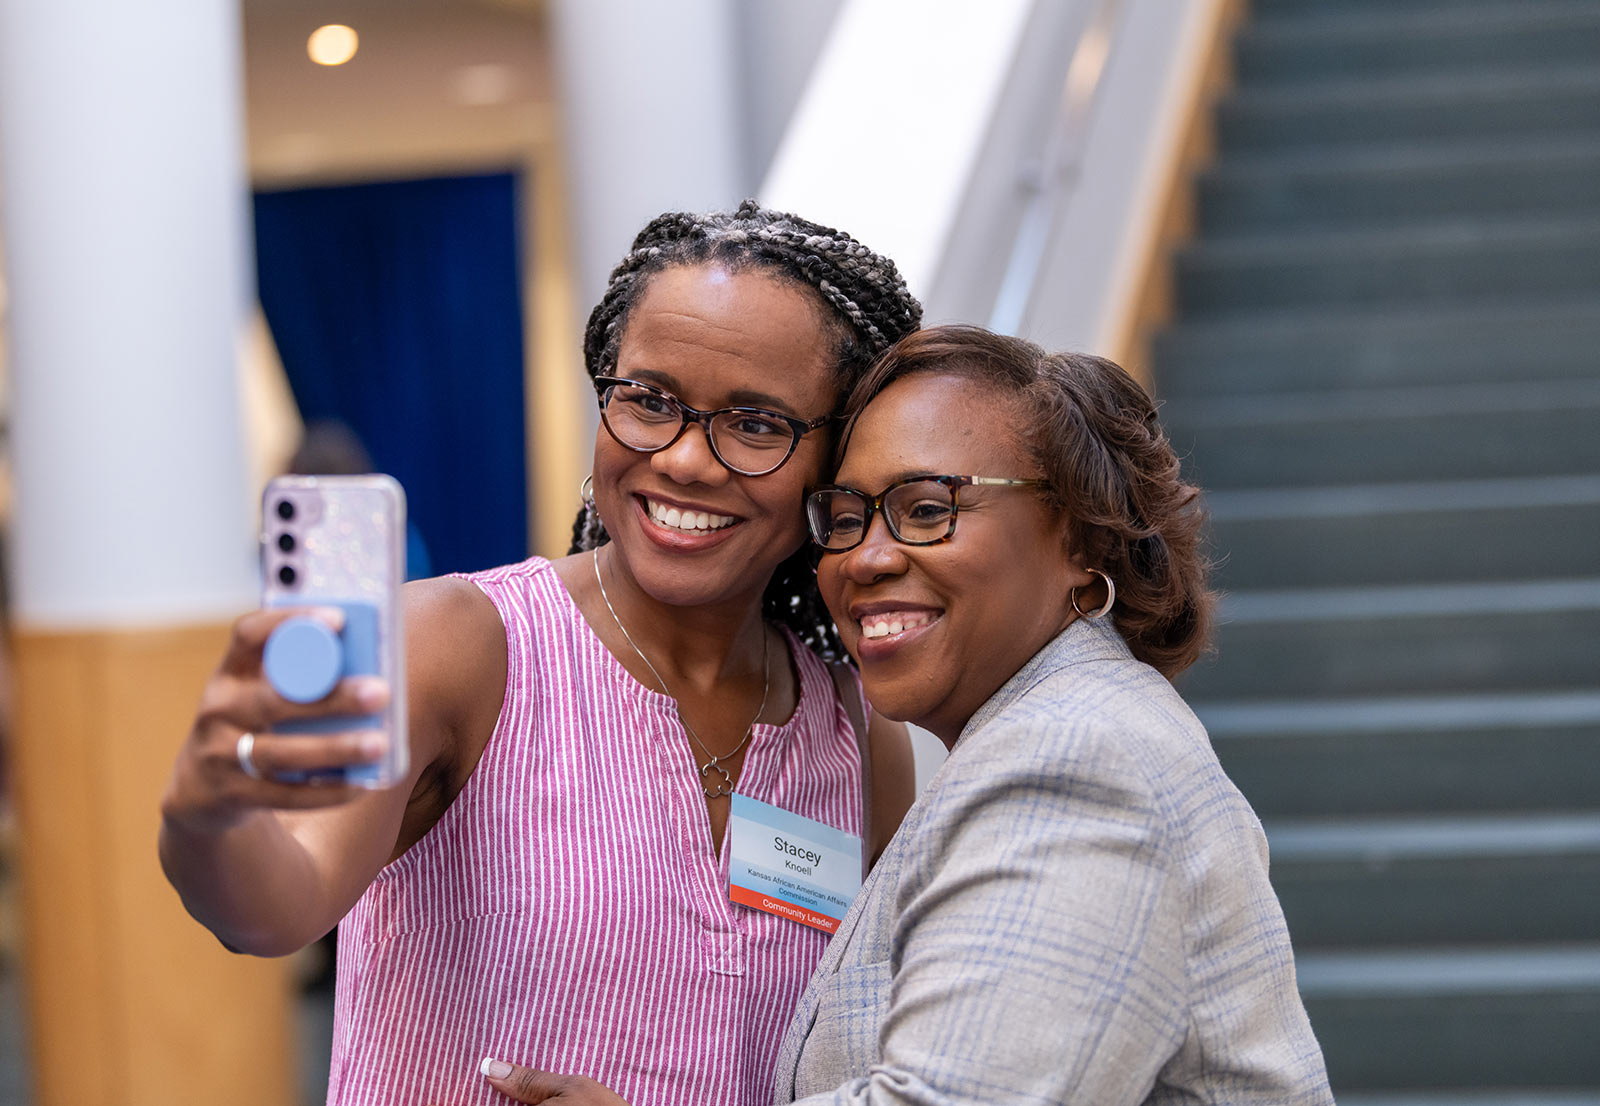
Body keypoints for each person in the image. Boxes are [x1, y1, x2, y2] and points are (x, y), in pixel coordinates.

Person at [158, 202, 923, 1106]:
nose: (683, 459)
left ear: (835, 463)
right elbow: (277, 906)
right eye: (649, 401)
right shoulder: (464, 646)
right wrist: (207, 815)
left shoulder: (853, 729)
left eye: (756, 424)